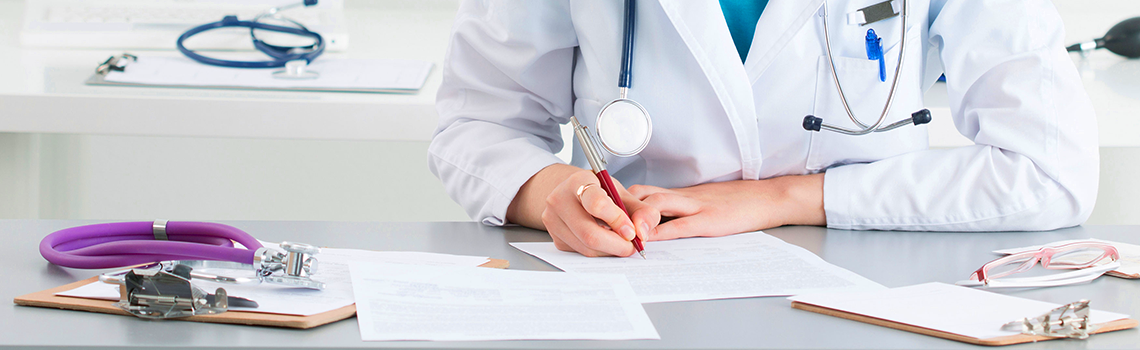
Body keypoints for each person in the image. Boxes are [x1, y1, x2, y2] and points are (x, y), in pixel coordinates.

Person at [428, 0, 1099, 257]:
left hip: (880, 292)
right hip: (639, 275)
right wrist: (552, 190)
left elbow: (1049, 169)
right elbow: (479, 121)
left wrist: (785, 197)